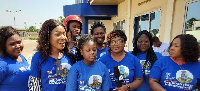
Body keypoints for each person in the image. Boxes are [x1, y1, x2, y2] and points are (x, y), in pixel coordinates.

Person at [28, 19, 75, 91]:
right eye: (58, 34)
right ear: (47, 36)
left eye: (64, 34)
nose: (63, 37)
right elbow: (34, 86)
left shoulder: (70, 56)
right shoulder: (38, 58)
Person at [0, 26, 30, 91]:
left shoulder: (22, 57)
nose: (17, 46)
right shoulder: (2, 64)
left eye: (19, 42)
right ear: (4, 46)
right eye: (12, 44)